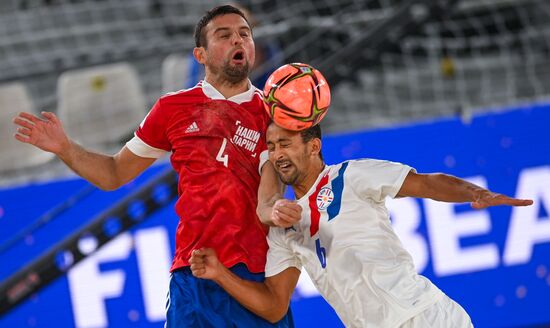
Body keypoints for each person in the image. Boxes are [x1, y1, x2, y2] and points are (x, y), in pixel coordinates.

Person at [12, 5, 298, 328]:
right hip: (194, 277)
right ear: (200, 55)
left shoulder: (272, 115)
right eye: (225, 35)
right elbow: (114, 173)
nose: (239, 41)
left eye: (245, 34)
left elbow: (269, 194)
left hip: (254, 273)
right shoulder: (172, 109)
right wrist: (65, 148)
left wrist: (276, 209)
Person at [189, 122, 534, 327]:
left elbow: (427, 183)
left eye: (286, 144)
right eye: (272, 146)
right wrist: (220, 273)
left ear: (313, 147)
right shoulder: (283, 228)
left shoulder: (351, 175)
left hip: (423, 316)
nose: (278, 154)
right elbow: (275, 305)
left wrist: (475, 192)